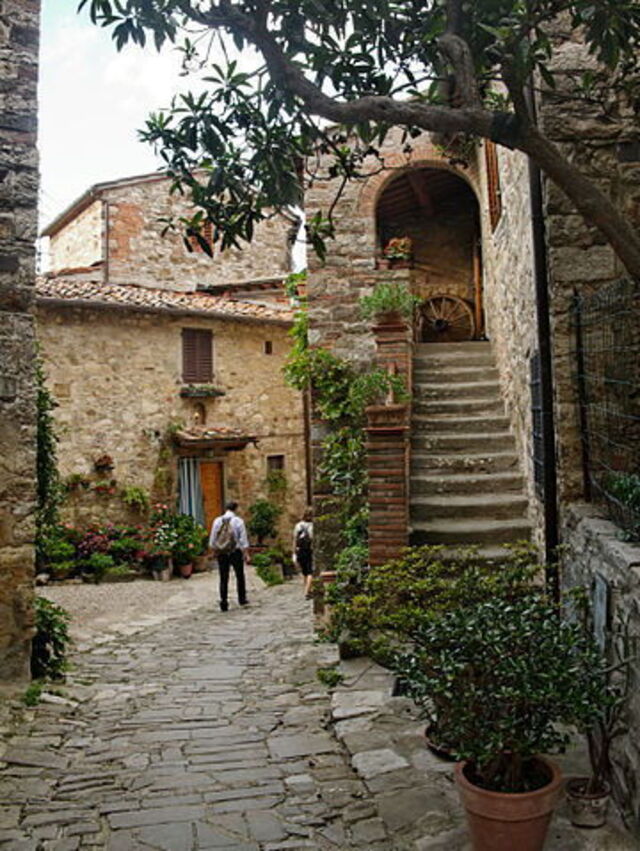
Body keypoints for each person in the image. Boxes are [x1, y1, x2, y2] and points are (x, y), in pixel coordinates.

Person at [209, 500, 250, 612]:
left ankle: (224, 601)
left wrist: (214, 551)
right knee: (239, 575)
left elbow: (213, 539)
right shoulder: (238, 521)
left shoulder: (217, 521)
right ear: (235, 509)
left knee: (223, 577)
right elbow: (243, 540)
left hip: (222, 552)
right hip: (235, 551)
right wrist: (246, 553)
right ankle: (241, 598)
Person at [292, 507, 313, 599]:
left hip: (299, 551)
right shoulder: (312, 526)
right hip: (308, 551)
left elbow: (295, 539)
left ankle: (307, 589)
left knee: (304, 572)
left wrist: (294, 552)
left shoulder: (298, 525)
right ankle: (307, 592)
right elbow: (313, 539)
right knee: (310, 572)